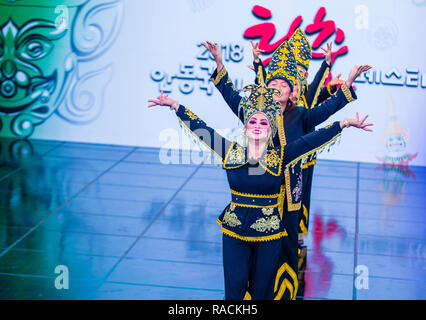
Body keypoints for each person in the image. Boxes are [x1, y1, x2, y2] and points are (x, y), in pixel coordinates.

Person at [201, 38, 372, 299]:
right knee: (250, 249)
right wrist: (220, 63)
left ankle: (285, 291)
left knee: (287, 243)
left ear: (292, 92)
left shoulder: (302, 116)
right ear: (265, 89)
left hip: (289, 194)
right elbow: (230, 95)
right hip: (258, 193)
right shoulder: (253, 114)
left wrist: (347, 85)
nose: (278, 86)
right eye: (273, 83)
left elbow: (327, 109)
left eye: (284, 84)